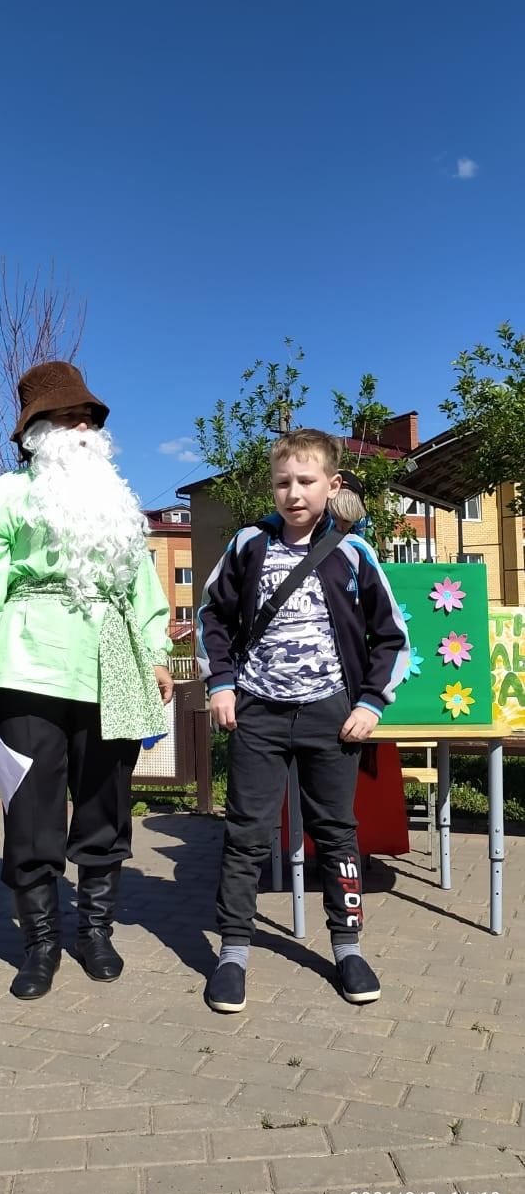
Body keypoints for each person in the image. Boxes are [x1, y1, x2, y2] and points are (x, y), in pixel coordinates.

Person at [0, 361, 174, 1001]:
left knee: (106, 802)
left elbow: (142, 584)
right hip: (28, 667)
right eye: (68, 416)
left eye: (89, 416)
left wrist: (155, 650)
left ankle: (95, 930)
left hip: (112, 667)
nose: (83, 425)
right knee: (31, 813)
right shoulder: (8, 496)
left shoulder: (116, 500)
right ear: (35, 430)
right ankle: (40, 941)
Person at [197, 428, 409, 1013]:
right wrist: (220, 684)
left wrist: (370, 704)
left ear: (332, 484)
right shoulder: (248, 545)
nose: (294, 493)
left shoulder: (352, 552)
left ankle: (348, 947)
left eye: (306, 481)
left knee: (338, 834)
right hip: (258, 713)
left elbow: (392, 637)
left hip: (330, 716)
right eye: (283, 482)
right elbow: (211, 615)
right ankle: (234, 951)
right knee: (245, 834)